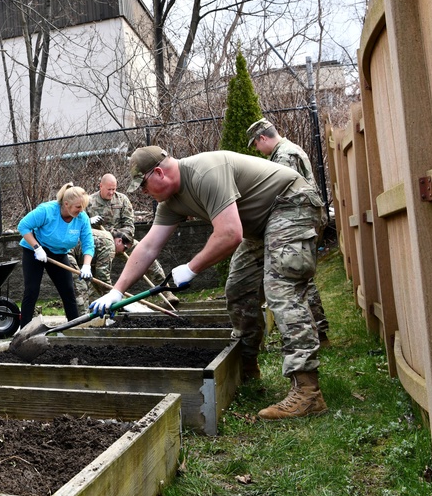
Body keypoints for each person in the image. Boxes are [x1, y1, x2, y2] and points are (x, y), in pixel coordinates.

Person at [91, 147, 326, 421]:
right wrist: (116, 291)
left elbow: (230, 233)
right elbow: (146, 248)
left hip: (291, 203)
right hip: (261, 225)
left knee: (281, 288)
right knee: (238, 290)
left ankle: (308, 391)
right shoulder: (170, 202)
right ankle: (246, 368)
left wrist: (191, 268)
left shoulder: (205, 172)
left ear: (158, 173)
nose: (143, 193)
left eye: (143, 185)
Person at [247, 119, 330, 346]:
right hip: (303, 220)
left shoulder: (284, 155)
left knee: (297, 277)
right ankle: (319, 333)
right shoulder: (288, 150)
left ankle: (318, 334)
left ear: (263, 138)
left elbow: (285, 191)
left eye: (255, 145)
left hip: (296, 221)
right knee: (302, 276)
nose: (257, 150)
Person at [70, 173, 176, 309]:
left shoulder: (122, 200)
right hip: (98, 246)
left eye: (114, 189)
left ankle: (166, 292)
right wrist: (89, 222)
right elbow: (78, 224)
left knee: (145, 256)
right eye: (109, 189)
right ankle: (100, 304)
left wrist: (119, 238)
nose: (112, 192)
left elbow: (129, 225)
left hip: (122, 241)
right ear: (100, 186)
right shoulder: (89, 202)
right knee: (95, 275)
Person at [18, 183, 95, 327]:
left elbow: (88, 243)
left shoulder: (81, 218)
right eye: (78, 207)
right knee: (32, 290)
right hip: (35, 251)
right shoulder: (47, 211)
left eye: (83, 207)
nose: (81, 210)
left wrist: (86, 265)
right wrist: (37, 247)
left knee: (68, 291)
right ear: (66, 204)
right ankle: (23, 332)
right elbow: (23, 226)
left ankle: (74, 328)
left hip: (59, 253)